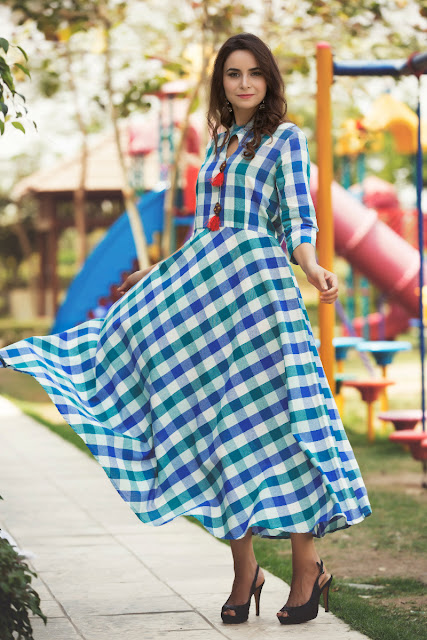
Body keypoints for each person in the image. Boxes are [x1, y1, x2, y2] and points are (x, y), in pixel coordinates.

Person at [0, 32, 372, 627]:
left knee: (283, 424)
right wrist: (155, 273)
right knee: (214, 428)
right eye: (233, 74)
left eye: (254, 73)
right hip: (207, 300)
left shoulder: (285, 139)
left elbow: (299, 218)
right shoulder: (219, 144)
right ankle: (245, 570)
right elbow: (204, 233)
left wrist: (311, 265)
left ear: (269, 80)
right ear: (221, 82)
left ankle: (307, 567)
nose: (244, 83)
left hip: (259, 300)